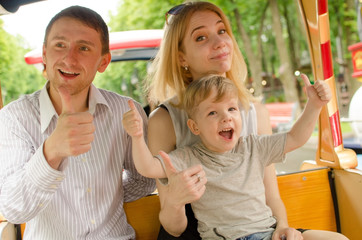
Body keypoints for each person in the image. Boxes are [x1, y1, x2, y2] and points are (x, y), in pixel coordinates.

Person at [144, 2, 348, 240]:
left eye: (222, 31)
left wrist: (282, 226)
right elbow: (173, 227)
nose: (220, 42)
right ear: (181, 58)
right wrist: (176, 199)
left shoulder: (255, 112)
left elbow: (270, 195)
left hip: (257, 227)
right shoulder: (164, 120)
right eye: (201, 37)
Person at [124, 74, 347, 240]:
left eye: (232, 109)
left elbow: (295, 138)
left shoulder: (254, 147)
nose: (226, 118)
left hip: (268, 233)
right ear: (194, 126)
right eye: (213, 112)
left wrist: (315, 105)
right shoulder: (189, 157)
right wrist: (136, 137)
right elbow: (148, 168)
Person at [0, 6, 155, 240]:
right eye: (60, 45)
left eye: (83, 48)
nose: (69, 58)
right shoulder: (14, 119)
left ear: (103, 62)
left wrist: (107, 193)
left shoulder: (126, 110)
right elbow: (13, 209)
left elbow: (144, 181)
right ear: (45, 53)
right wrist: (51, 151)